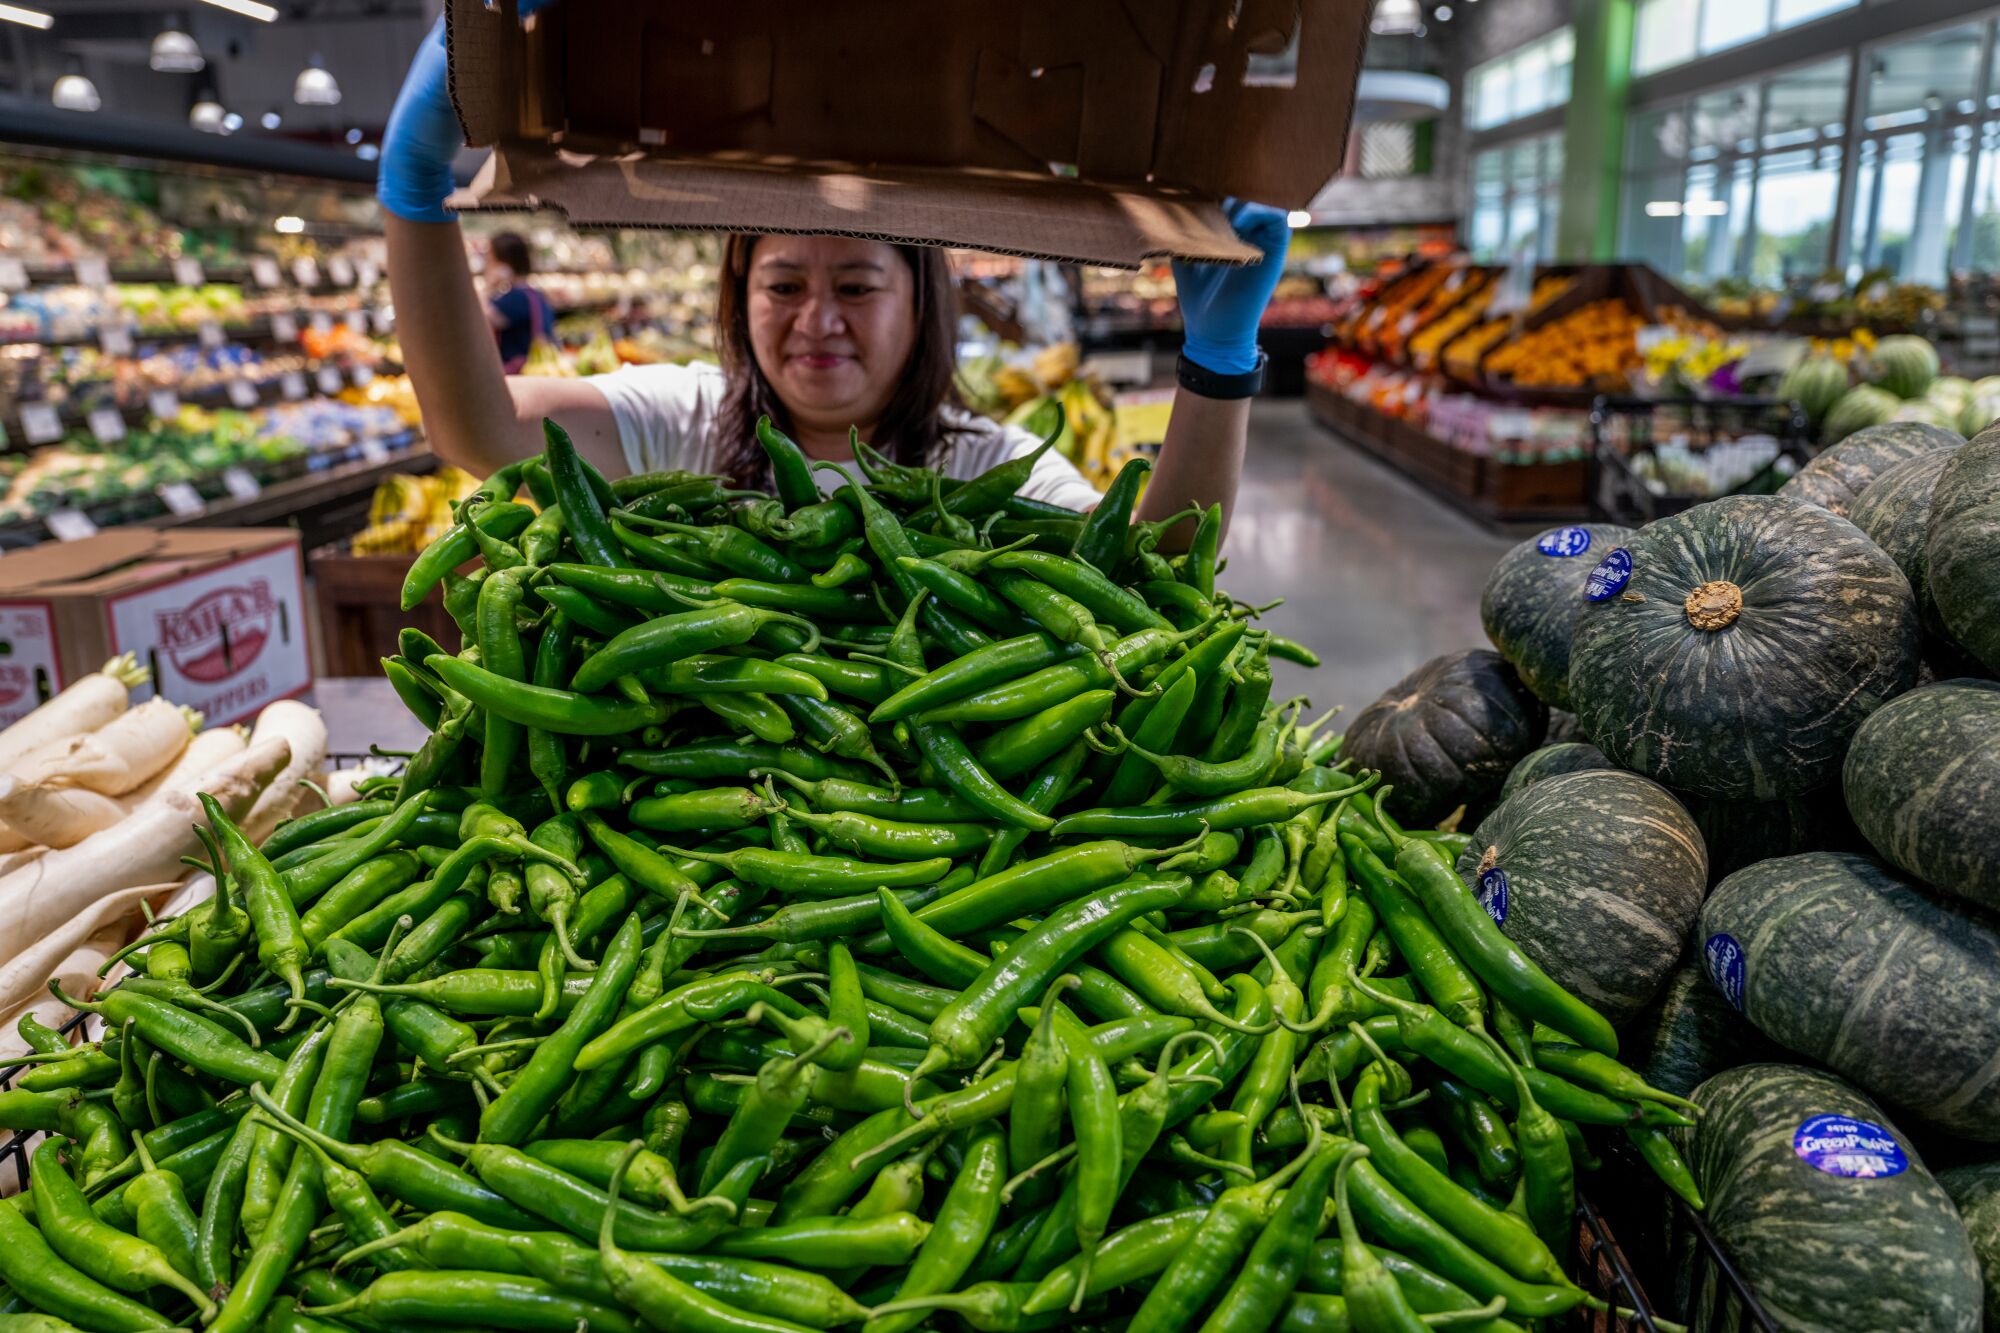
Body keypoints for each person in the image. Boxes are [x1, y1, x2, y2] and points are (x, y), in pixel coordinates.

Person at [379, 16, 1288, 538]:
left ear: (921, 303)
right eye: (781, 286)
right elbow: (478, 431)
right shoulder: (682, 423)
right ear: (739, 298)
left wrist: (1218, 366)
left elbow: (1155, 573)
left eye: (856, 286)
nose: (815, 319)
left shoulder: (989, 470)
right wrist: (415, 192)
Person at [482, 231, 556, 374]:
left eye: (490, 257)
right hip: (537, 368)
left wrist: (488, 286)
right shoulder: (535, 294)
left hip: (519, 374)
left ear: (504, 262)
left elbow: (479, 318)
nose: (487, 262)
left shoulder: (515, 299)